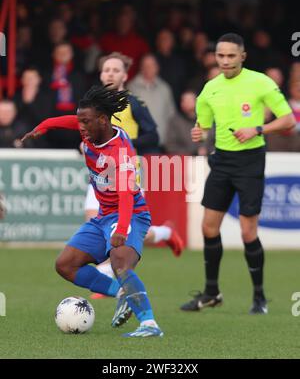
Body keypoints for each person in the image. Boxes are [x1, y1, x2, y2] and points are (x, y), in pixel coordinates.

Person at [21, 85, 163, 338]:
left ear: (103, 120)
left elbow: (126, 195)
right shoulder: (91, 130)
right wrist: (44, 125)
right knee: (65, 265)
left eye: (85, 122)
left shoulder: (120, 152)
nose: (81, 126)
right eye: (80, 121)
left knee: (120, 261)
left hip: (128, 213)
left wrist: (121, 230)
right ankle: (122, 294)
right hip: (103, 216)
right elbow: (68, 120)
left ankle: (149, 324)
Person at [180, 33, 295, 315]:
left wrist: (257, 129)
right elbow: (203, 127)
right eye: (221, 56)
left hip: (250, 161)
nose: (226, 61)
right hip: (221, 160)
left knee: (247, 231)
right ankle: (211, 293)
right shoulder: (209, 89)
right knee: (208, 227)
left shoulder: (261, 82)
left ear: (242, 56)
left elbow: (289, 120)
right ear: (215, 57)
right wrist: (199, 132)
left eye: (231, 56)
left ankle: (259, 297)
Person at [88, 52, 184, 298]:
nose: (110, 73)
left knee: (123, 230)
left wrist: (123, 141)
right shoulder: (92, 105)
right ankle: (164, 233)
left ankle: (106, 277)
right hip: (99, 177)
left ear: (124, 75)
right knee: (97, 223)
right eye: (106, 69)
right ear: (101, 74)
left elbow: (153, 135)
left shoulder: (133, 103)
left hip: (125, 176)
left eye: (115, 70)